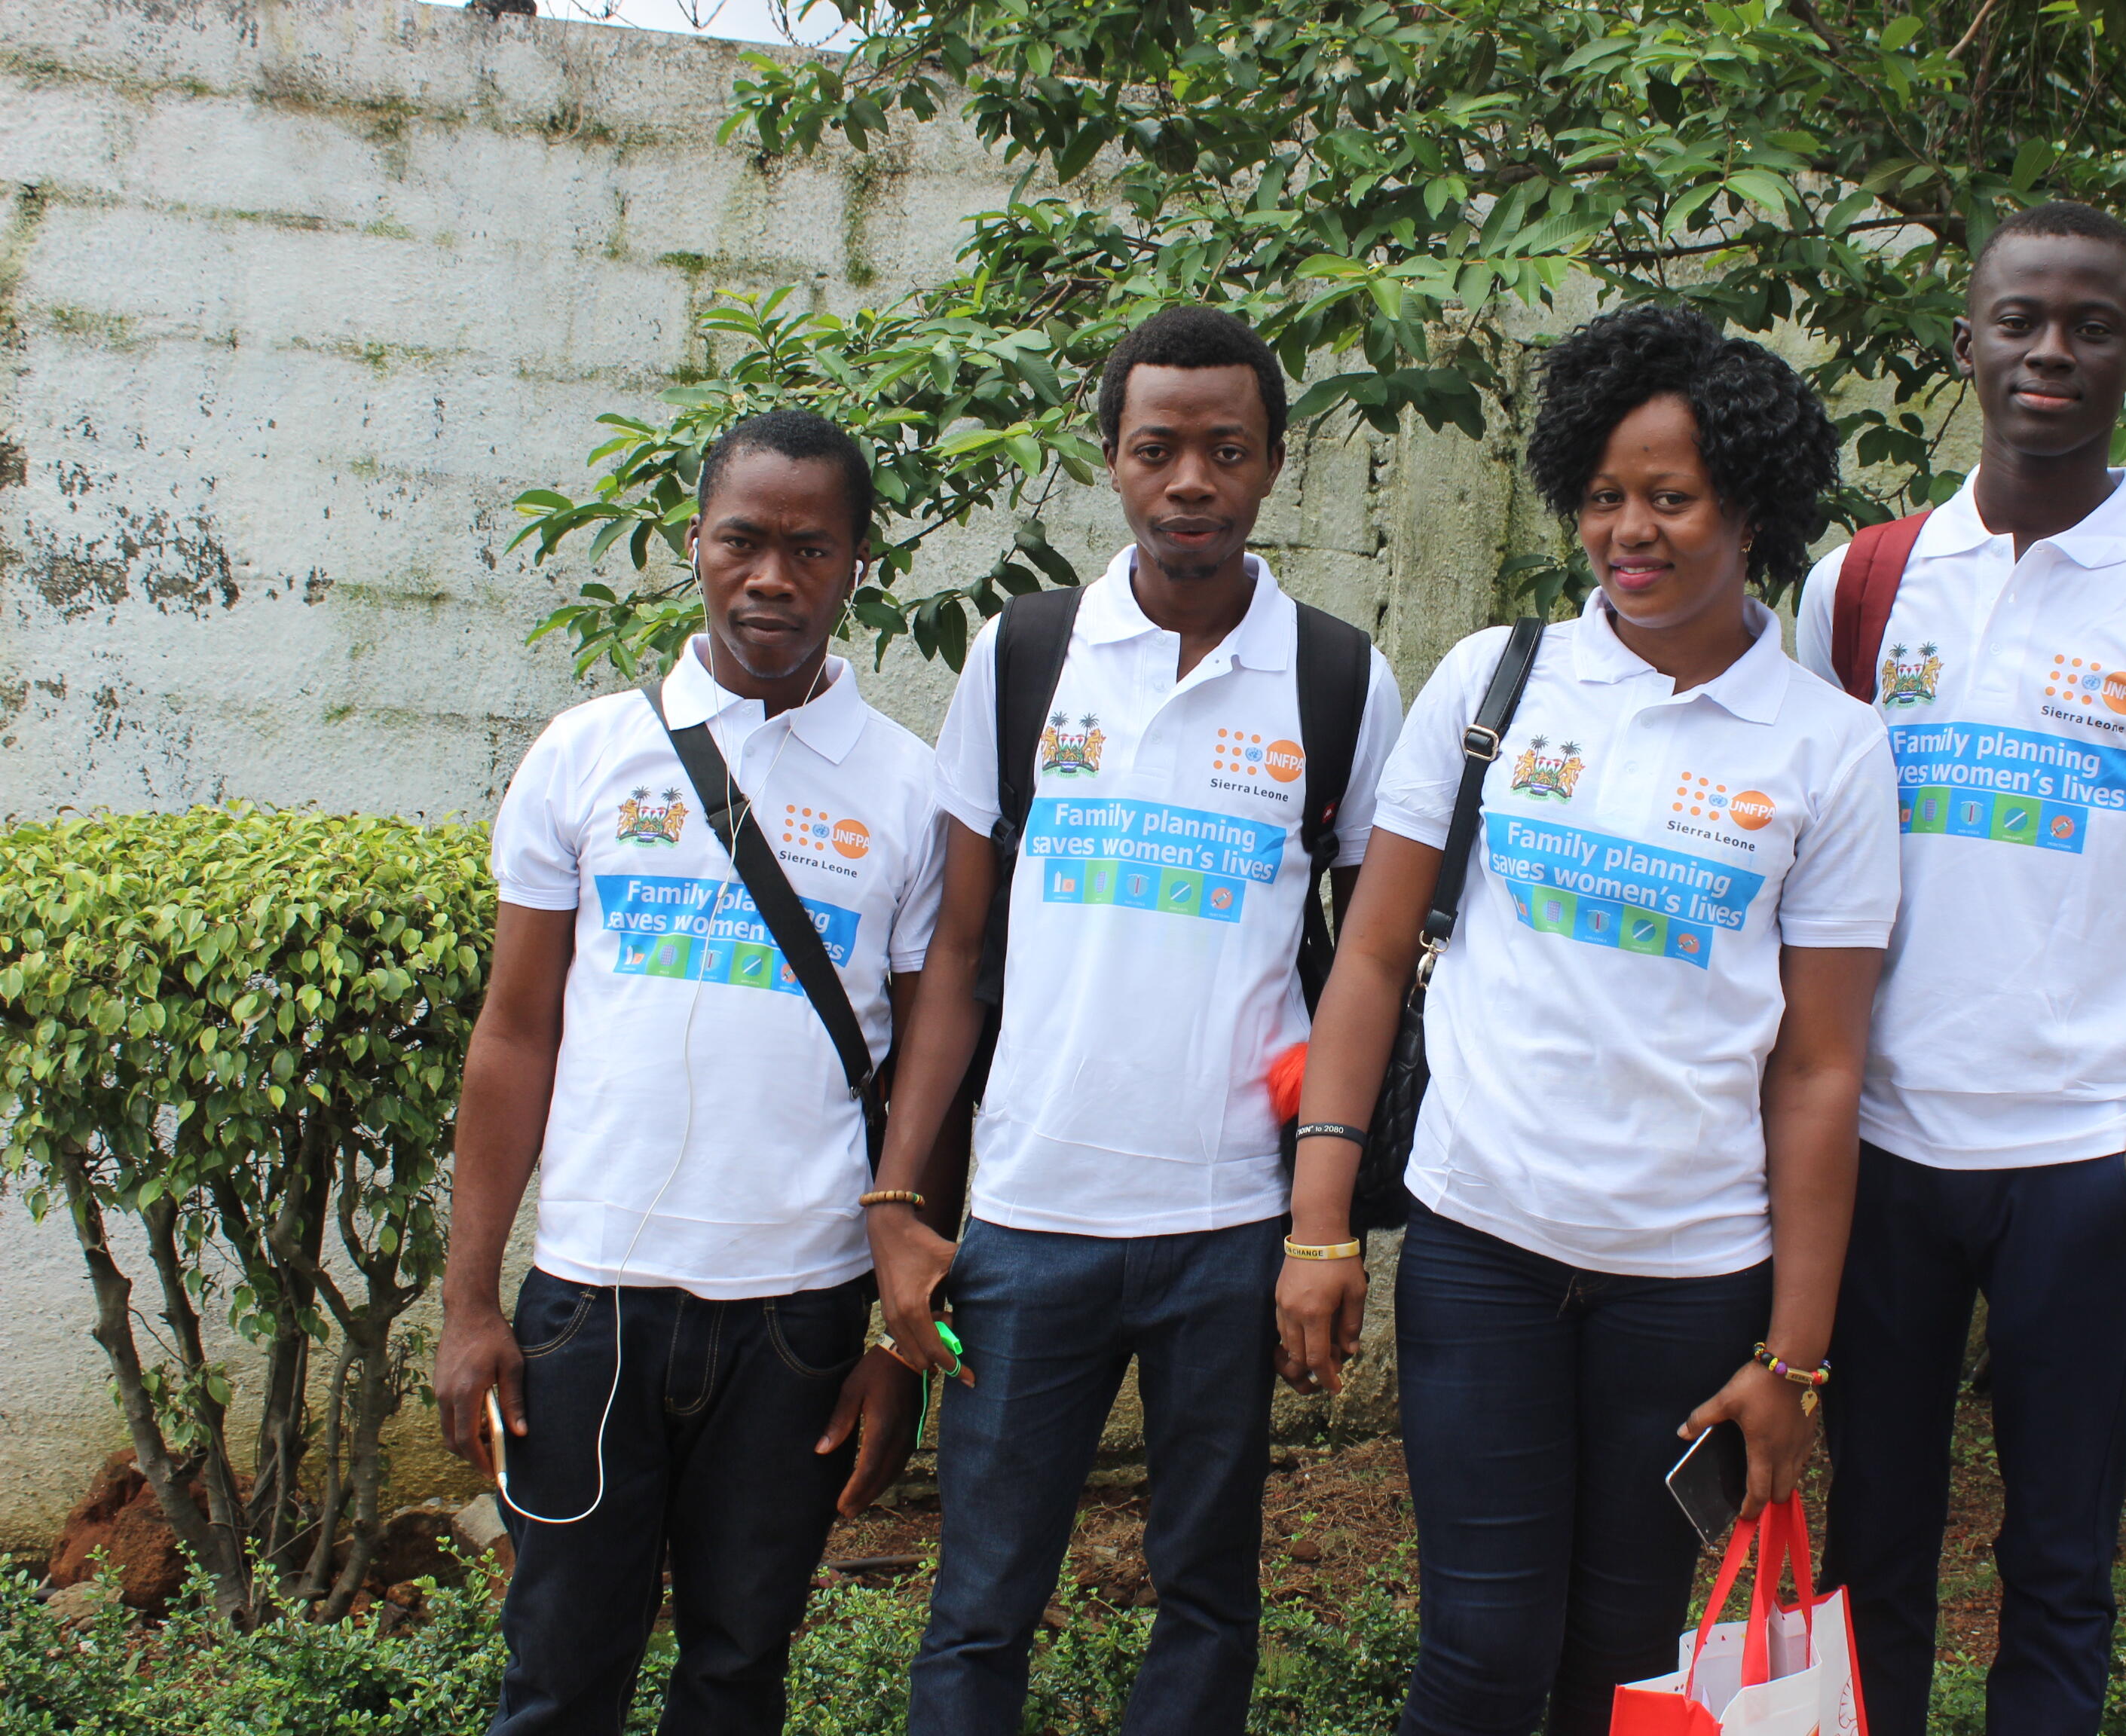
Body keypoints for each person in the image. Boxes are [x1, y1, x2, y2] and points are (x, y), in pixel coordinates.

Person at [1283, 304, 1900, 1736]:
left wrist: (1793, 1357)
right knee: (1482, 1651)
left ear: (1749, 506)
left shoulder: (1830, 748)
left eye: (1670, 499)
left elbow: (1819, 1066)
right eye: (1605, 497)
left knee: (1624, 1654)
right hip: (1482, 1249)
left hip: (1689, 1282)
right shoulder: (1500, 684)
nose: (1631, 531)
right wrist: (1321, 1223)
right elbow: (1371, 959)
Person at [1798, 201, 2126, 1736]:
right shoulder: (1864, 586)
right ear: (1966, 344)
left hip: (2085, 1162)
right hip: (1878, 1152)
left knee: (2061, 1556)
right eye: (2020, 319)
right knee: (1867, 1543)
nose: (2051, 352)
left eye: (2092, 325)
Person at [867, 304, 1405, 1734]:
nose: (1190, 482)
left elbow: (1369, 973)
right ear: (1110, 458)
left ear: (1272, 466)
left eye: (1225, 451)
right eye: (1158, 447)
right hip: (1032, 1223)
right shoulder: (1027, 654)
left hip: (1230, 1233)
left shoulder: (1339, 678)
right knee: (980, 1601)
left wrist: (1321, 1224)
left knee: (1207, 1594)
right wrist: (902, 1198)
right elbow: (957, 953)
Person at [433, 408, 956, 1735]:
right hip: (591, 1305)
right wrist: (469, 1304)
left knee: (740, 1668)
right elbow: (515, 1032)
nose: (771, 577)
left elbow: (927, 1084)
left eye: (810, 548)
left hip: (799, 1317)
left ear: (856, 567)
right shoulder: (588, 753)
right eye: (742, 540)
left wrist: (896, 1349)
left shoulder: (905, 788)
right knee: (557, 1672)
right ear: (695, 545)